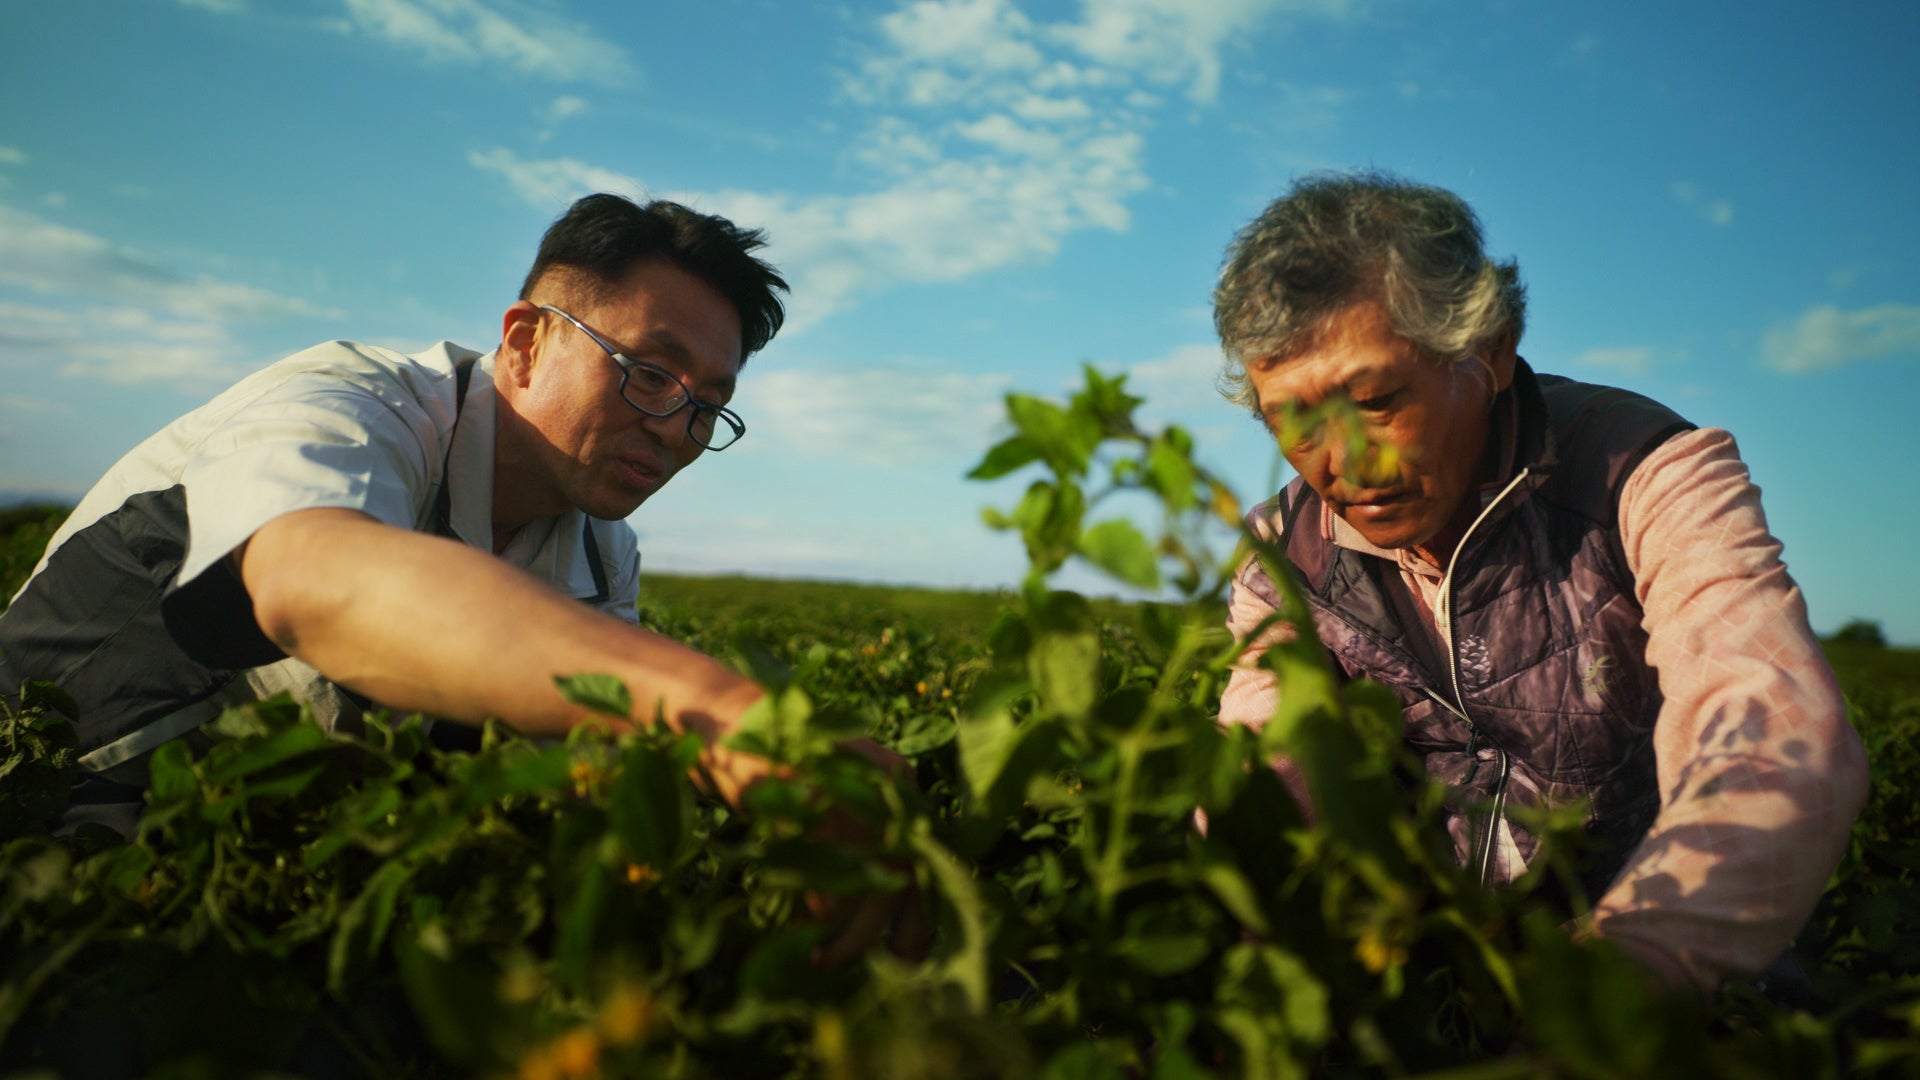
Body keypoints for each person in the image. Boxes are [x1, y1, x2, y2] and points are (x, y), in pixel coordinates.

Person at [1210, 171, 1869, 995]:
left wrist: (1626, 979)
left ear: (1489, 348)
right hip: (1418, 964)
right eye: (1291, 420)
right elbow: (1264, 775)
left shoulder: (1643, 473)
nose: (1341, 465)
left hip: (1675, 954)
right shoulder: (1284, 553)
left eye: (1377, 401)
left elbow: (1774, 737)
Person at [0, 193, 802, 836]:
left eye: (707, 406)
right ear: (524, 343)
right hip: (43, 789)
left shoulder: (600, 551)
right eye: (651, 372)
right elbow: (312, 578)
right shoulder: (354, 405)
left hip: (244, 854)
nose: (673, 427)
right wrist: (717, 707)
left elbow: (576, 758)